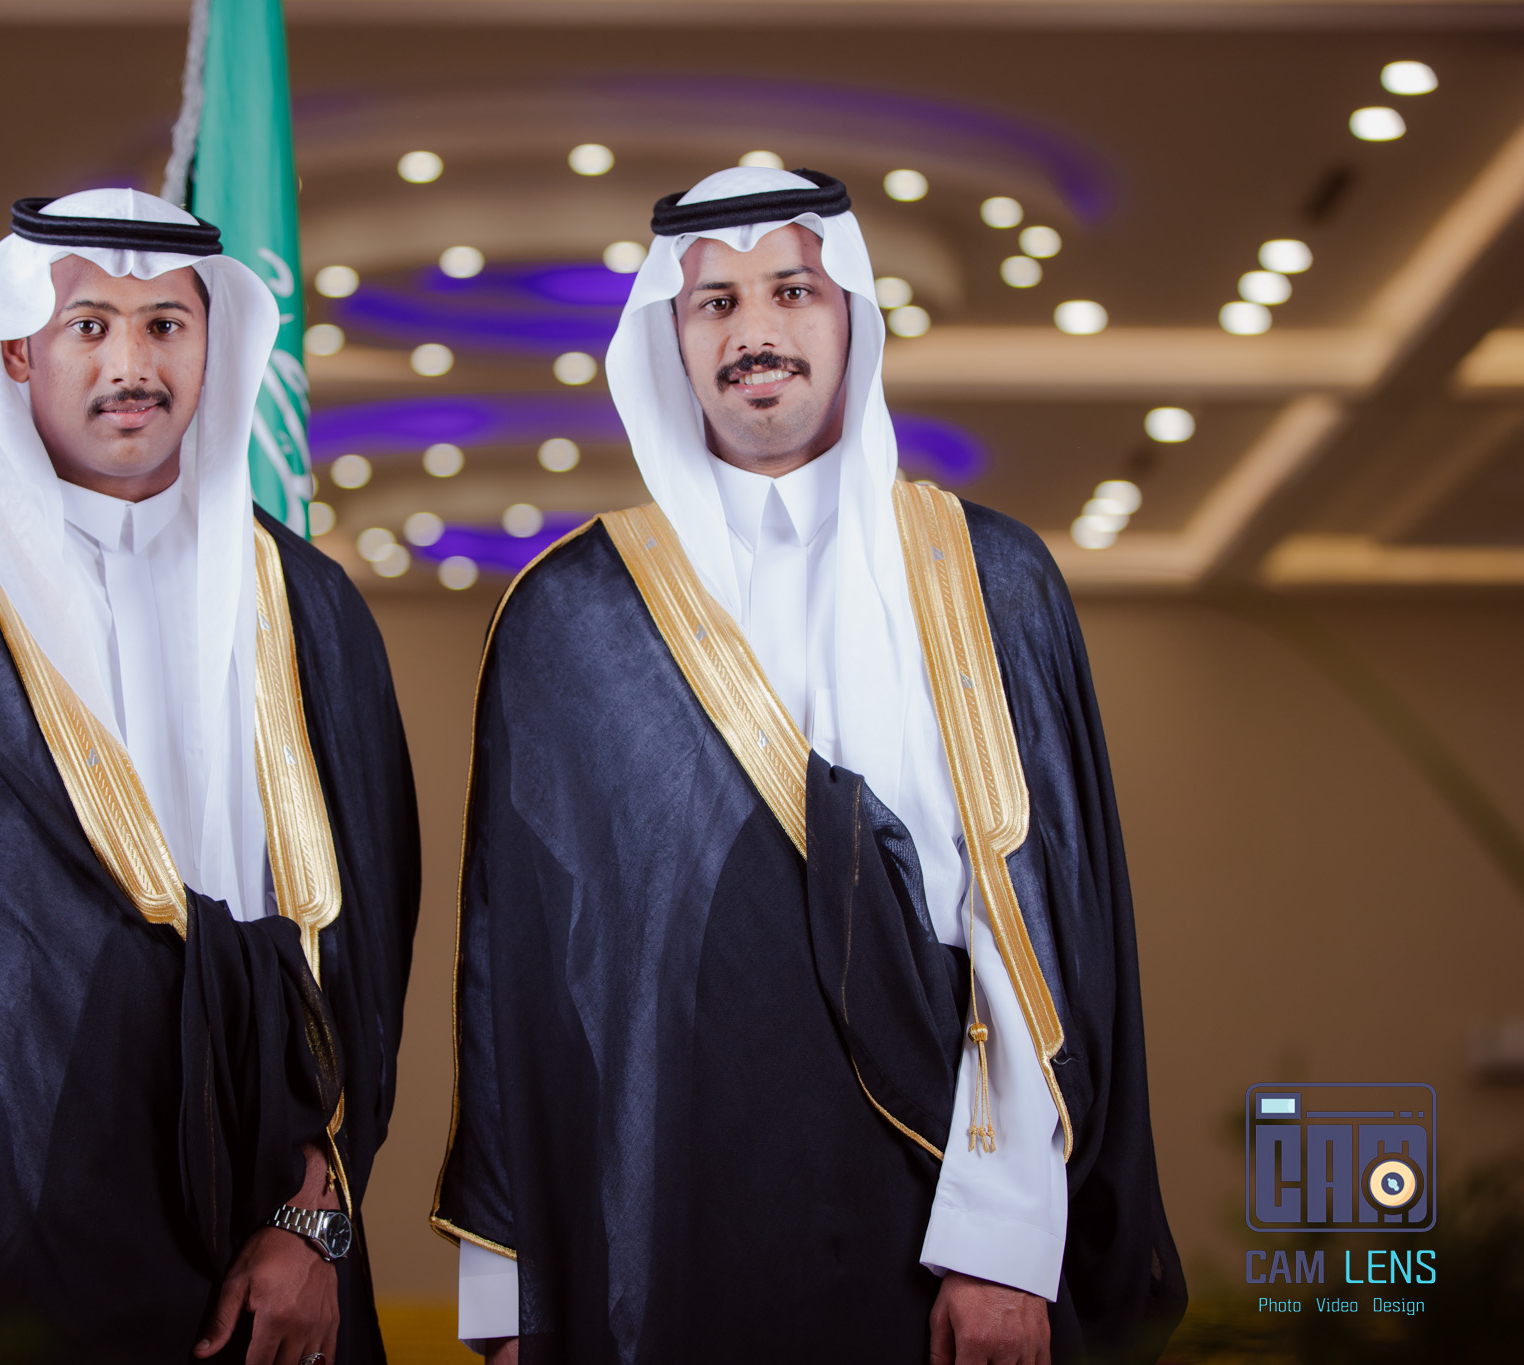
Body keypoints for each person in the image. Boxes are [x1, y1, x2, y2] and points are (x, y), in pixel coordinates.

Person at [432, 166, 1185, 1364]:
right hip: (664, 1216)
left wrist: (1001, 1245)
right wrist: (508, 1291)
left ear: (848, 315)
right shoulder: (569, 614)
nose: (755, 331)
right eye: (715, 303)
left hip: (931, 1218)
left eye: (790, 290)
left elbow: (1034, 933)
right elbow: (517, 970)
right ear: (670, 336)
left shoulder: (990, 580)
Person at [0, 189, 418, 1363]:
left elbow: (364, 965)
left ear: (213, 346)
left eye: (165, 325)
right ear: (17, 350)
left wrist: (315, 1229)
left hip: (270, 1262)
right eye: (88, 326)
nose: (131, 365)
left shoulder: (307, 606)